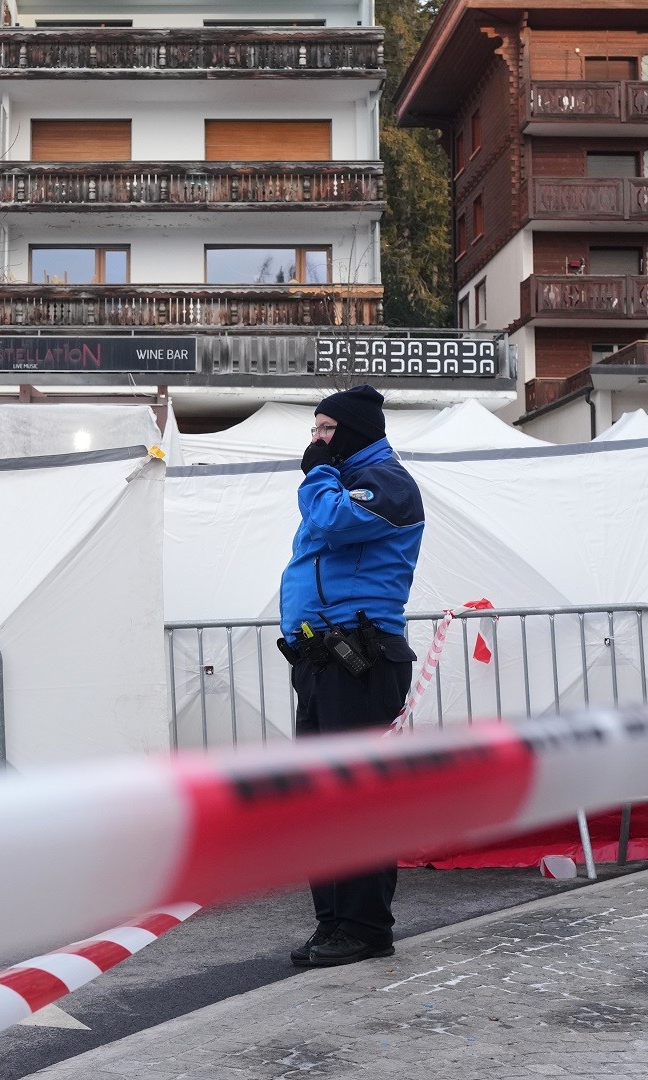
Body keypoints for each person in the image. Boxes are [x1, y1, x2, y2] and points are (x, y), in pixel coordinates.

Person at [278, 384, 425, 967]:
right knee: (320, 802)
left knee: (357, 799)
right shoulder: (338, 481)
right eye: (313, 430)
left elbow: (334, 523)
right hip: (322, 660)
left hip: (361, 659)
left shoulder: (388, 483)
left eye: (326, 429)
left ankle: (365, 927)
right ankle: (334, 922)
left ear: (356, 431)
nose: (316, 440)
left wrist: (317, 472)